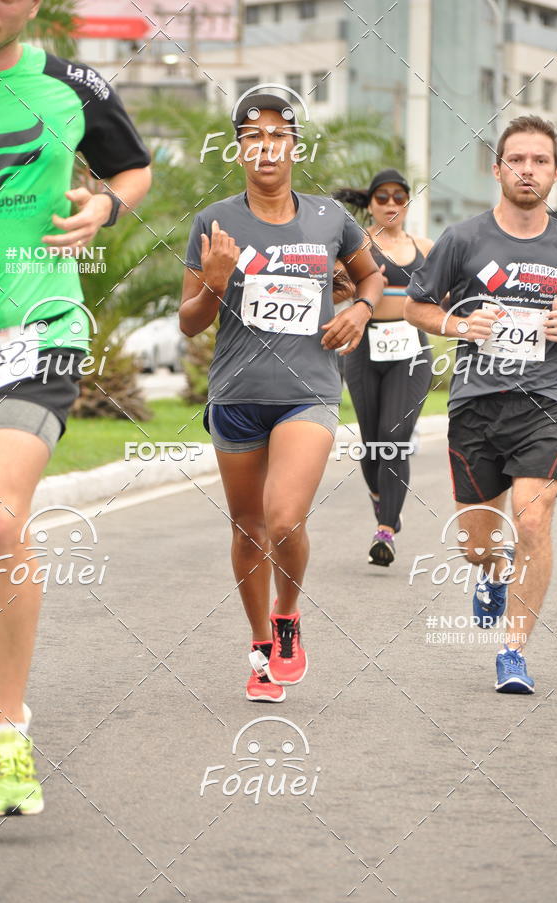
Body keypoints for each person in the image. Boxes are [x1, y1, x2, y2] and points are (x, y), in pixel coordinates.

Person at [0, 0, 151, 814]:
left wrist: (105, 206)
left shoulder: (71, 83)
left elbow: (132, 169)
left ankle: (6, 730)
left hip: (38, 330)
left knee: (0, 520)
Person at [180, 92, 383, 702]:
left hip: (308, 392)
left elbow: (371, 274)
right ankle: (261, 645)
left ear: (295, 145)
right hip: (237, 394)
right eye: (252, 136)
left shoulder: (329, 219)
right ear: (238, 148)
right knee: (246, 527)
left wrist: (362, 310)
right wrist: (214, 287)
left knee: (283, 517)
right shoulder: (213, 222)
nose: (265, 147)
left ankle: (287, 617)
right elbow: (189, 324)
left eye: (277, 134)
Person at [405, 114, 557, 694]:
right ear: (497, 168)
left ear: (555, 170)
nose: (528, 170)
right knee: (478, 544)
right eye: (516, 160)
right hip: (476, 404)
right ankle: (491, 573)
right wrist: (458, 322)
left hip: (548, 401)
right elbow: (415, 307)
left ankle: (513, 651)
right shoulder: (464, 239)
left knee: (533, 518)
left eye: (540, 161)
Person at [333, 170, 433, 566]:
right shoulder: (357, 244)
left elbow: (447, 294)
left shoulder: (426, 247)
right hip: (363, 348)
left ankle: (386, 531)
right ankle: (382, 500)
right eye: (383, 198)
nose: (391, 205)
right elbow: (336, 288)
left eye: (399, 197)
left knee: (394, 435)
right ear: (371, 203)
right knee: (373, 442)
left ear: (407, 203)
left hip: (410, 353)